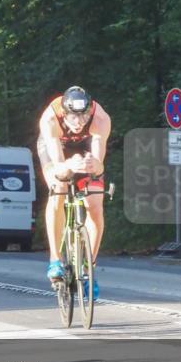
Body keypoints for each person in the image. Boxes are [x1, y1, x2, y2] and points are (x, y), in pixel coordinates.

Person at [37, 86, 111, 299]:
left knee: (95, 205)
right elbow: (58, 166)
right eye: (73, 117)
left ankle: (89, 267)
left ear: (89, 111)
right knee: (58, 189)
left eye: (83, 116)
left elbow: (99, 166)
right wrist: (68, 166)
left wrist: (92, 164)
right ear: (64, 113)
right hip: (57, 151)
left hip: (85, 149)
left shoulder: (100, 119)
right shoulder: (50, 119)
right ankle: (55, 259)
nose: (78, 122)